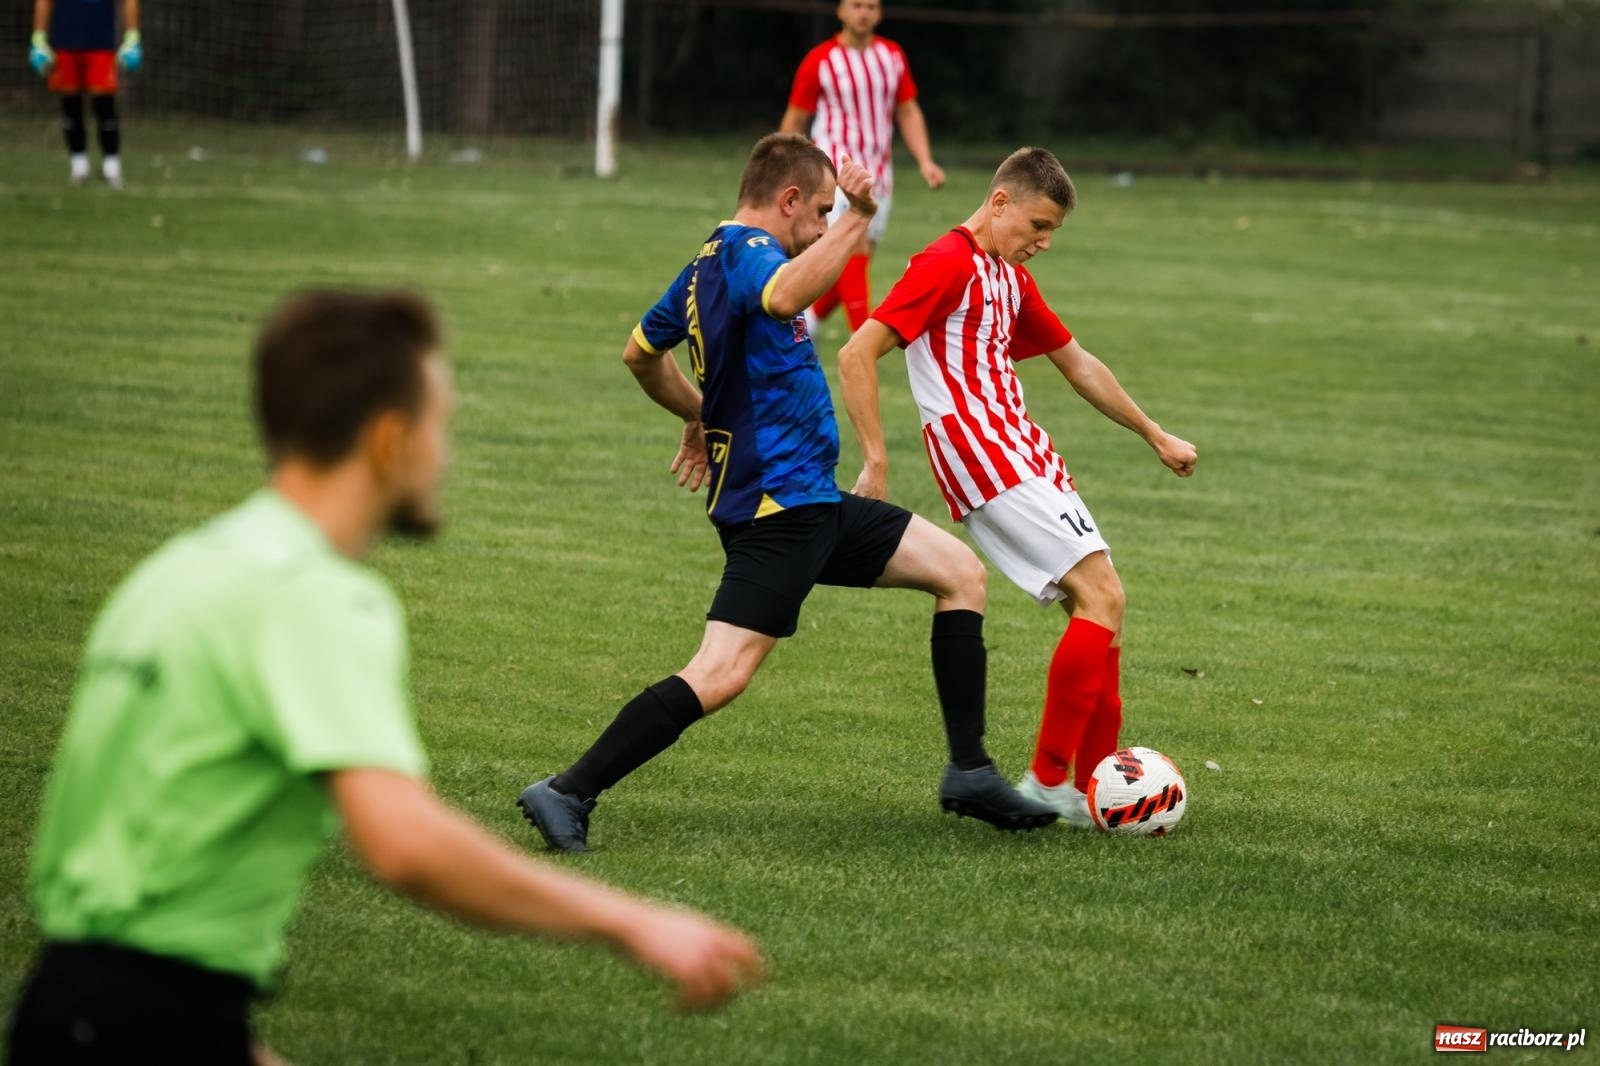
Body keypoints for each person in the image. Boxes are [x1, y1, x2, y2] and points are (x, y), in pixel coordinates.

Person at [8, 290, 763, 1065]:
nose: (446, 454)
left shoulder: (177, 571)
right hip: (142, 1019)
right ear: (387, 440)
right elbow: (407, 846)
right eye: (440, 425)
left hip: (80, 1004)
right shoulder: (318, 597)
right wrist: (632, 923)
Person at [517, 134, 1055, 854]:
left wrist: (696, 411)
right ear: (789, 201)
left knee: (959, 573)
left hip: (812, 501)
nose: (827, 226)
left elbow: (640, 353)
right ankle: (566, 790)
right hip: (777, 509)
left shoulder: (702, 263)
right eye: (823, 212)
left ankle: (969, 770)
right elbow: (784, 295)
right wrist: (862, 218)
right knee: (722, 671)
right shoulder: (749, 256)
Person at [837, 147, 1198, 827]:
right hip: (983, 453)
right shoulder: (944, 263)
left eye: (1052, 231)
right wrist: (876, 462)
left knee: (1103, 611)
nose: (1044, 242)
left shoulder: (1008, 277)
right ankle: (1047, 781)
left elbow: (1077, 362)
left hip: (1023, 448)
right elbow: (858, 350)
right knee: (1103, 596)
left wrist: (1154, 433)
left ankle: (1095, 787)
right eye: (1037, 225)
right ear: (999, 202)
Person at [779, 0, 944, 335]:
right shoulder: (821, 60)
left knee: (850, 262)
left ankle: (805, 325)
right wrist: (780, 168)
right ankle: (862, 341)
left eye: (870, 6)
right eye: (856, 5)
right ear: (840, 11)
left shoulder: (892, 57)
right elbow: (795, 118)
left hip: (879, 175)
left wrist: (925, 160)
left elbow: (908, 111)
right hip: (834, 172)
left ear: (880, 13)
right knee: (856, 247)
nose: (863, 13)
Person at [30, 0, 142, 188]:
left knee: (104, 102)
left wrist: (132, 36)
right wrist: (38, 38)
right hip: (65, 41)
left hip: (101, 42)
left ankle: (112, 165)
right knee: (70, 102)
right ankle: (79, 164)